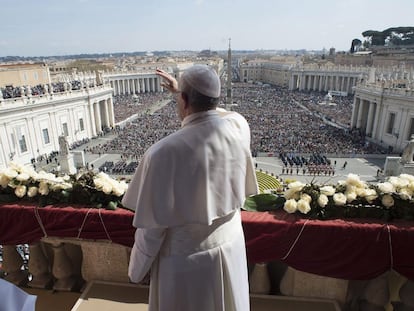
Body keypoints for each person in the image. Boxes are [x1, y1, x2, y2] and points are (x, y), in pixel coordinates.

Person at [122, 64, 258, 311]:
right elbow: (222, 114)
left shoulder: (162, 153)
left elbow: (152, 231)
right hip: (231, 247)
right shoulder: (239, 128)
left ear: (183, 100)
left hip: (186, 264)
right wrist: (184, 92)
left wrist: (136, 271)